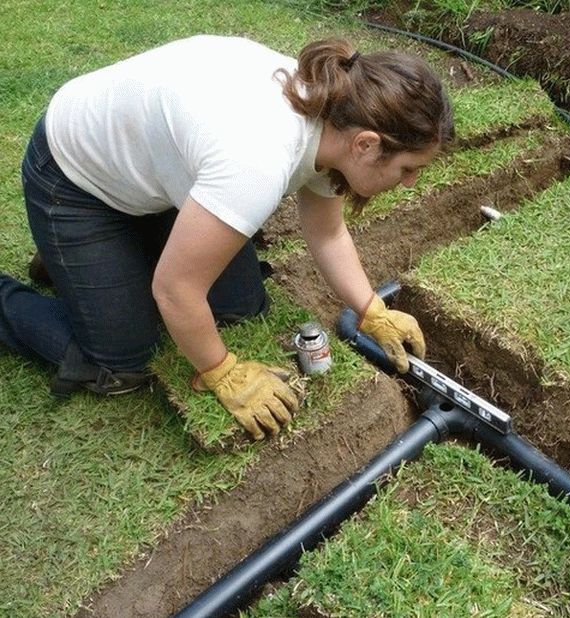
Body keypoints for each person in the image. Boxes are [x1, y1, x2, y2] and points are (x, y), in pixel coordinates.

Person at [0, 35, 454, 440]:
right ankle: (65, 255)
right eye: (408, 168)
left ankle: (92, 262)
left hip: (152, 177)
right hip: (75, 180)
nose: (411, 182)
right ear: (367, 145)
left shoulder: (334, 113)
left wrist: (370, 310)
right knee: (123, 363)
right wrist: (221, 372)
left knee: (239, 307)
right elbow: (175, 291)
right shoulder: (256, 160)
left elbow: (327, 231)